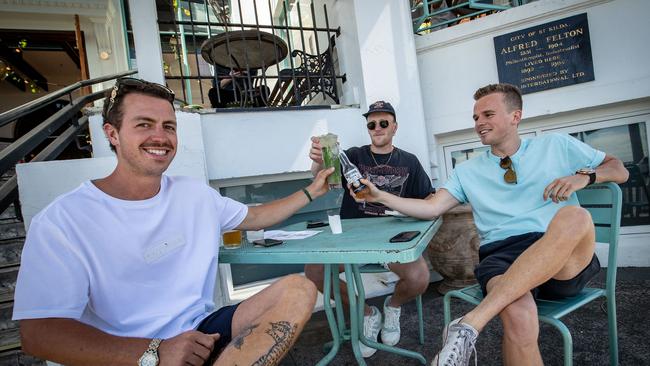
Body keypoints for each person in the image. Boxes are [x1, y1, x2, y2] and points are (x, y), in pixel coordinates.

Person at [13, 77, 334, 366]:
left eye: (169, 126)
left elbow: (257, 216)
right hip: (128, 354)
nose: (160, 136)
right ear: (112, 133)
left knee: (299, 287)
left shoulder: (194, 195)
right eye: (144, 124)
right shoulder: (63, 220)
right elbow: (39, 333)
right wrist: (154, 351)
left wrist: (313, 191)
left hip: (200, 333)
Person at [354, 84, 629, 366]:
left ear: (515, 116)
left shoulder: (556, 145)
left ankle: (471, 322)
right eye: (475, 118)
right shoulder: (467, 171)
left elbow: (619, 168)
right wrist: (379, 195)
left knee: (576, 217)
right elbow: (431, 207)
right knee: (519, 319)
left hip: (560, 255)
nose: (479, 123)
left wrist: (586, 177)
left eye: (488, 114)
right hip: (502, 256)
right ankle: (469, 326)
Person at [305, 100, 436, 357]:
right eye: (371, 124)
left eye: (383, 123)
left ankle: (393, 307)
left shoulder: (409, 161)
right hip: (353, 238)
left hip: (391, 239)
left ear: (394, 127)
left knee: (420, 278)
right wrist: (318, 160)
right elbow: (321, 174)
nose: (377, 128)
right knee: (314, 271)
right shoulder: (353, 155)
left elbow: (429, 199)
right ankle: (366, 312)